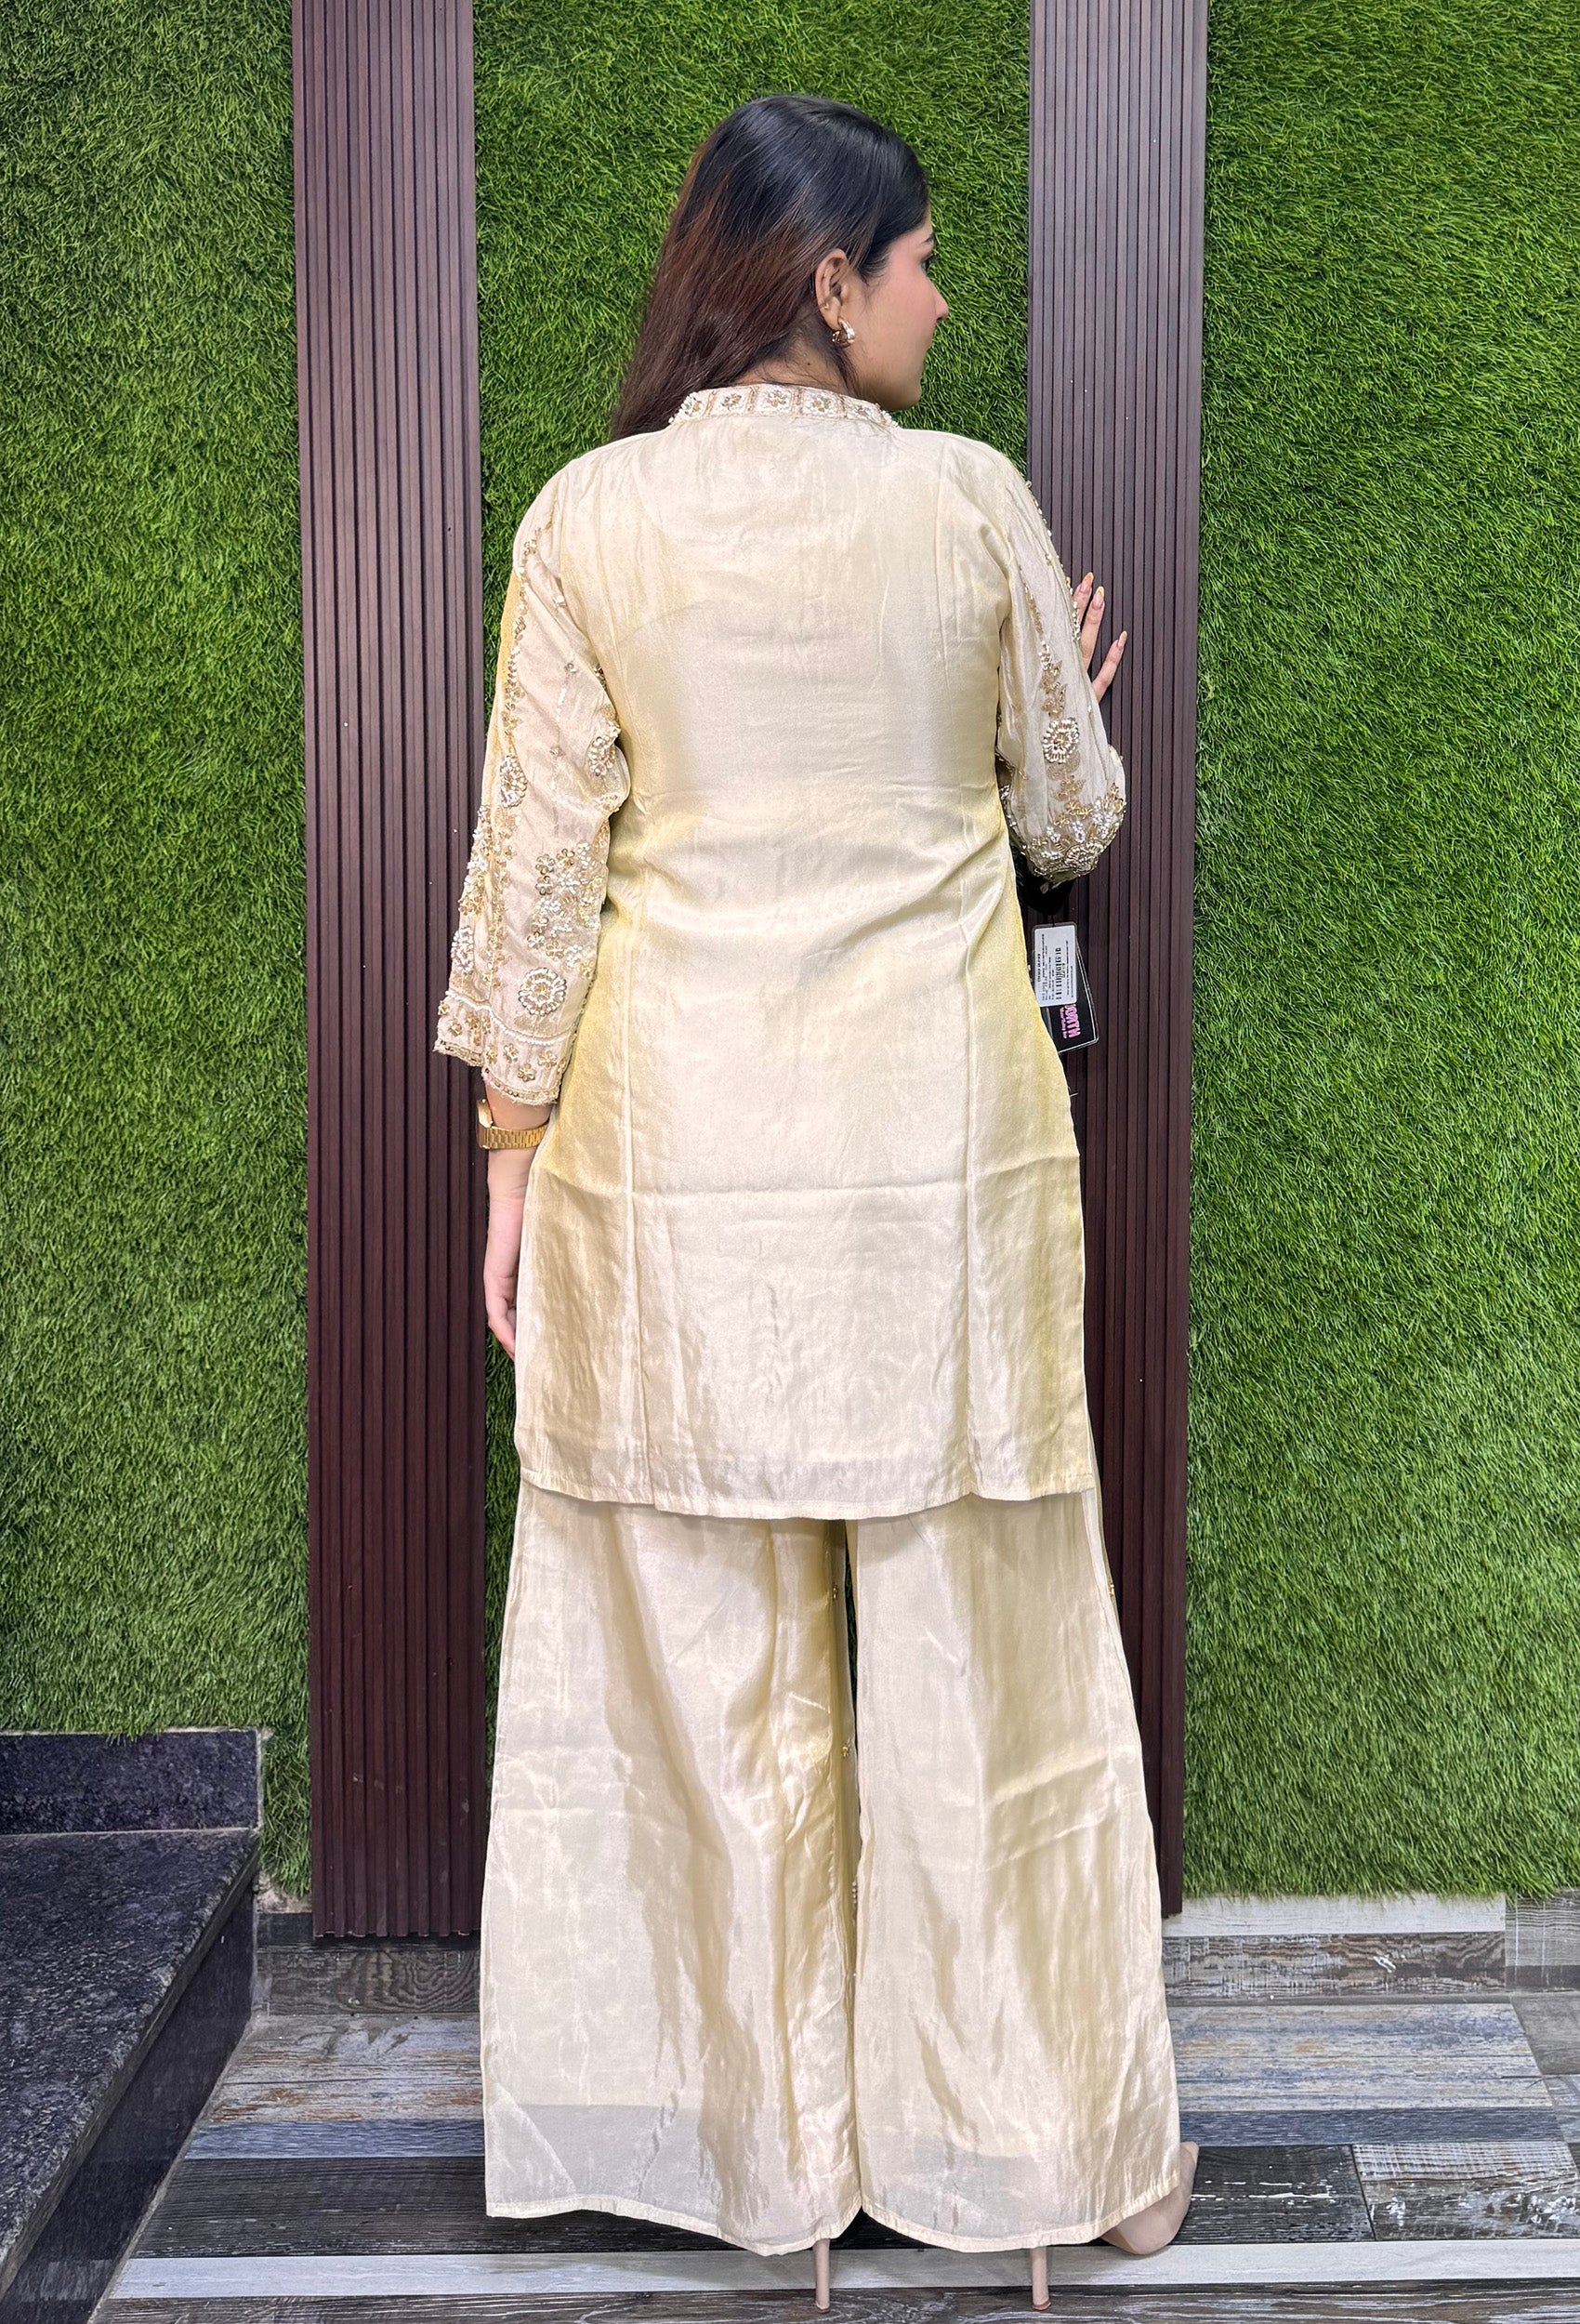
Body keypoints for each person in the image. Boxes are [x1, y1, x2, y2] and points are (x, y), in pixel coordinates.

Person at [434, 91, 1197, 2309]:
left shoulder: (588, 521)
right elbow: (1072, 811)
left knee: (695, 1670)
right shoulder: (965, 505)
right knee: (991, 1666)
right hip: (931, 1178)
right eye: (923, 262)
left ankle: (750, 2159)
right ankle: (1062, 2157)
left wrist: (509, 1157)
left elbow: (534, 878)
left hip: (677, 1176)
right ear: (830, 279)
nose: (944, 301)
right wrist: (1060, 691)